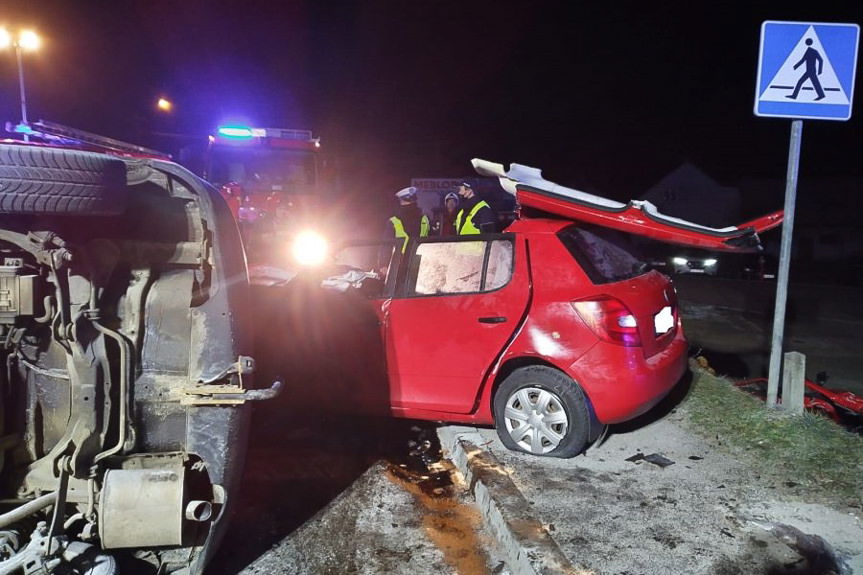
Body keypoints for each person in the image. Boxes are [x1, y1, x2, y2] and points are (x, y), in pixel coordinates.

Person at [387, 186, 430, 253]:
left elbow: (386, 247)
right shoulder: (425, 219)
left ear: (401, 200)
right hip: (421, 259)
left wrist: (382, 263)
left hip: (399, 260)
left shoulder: (394, 221)